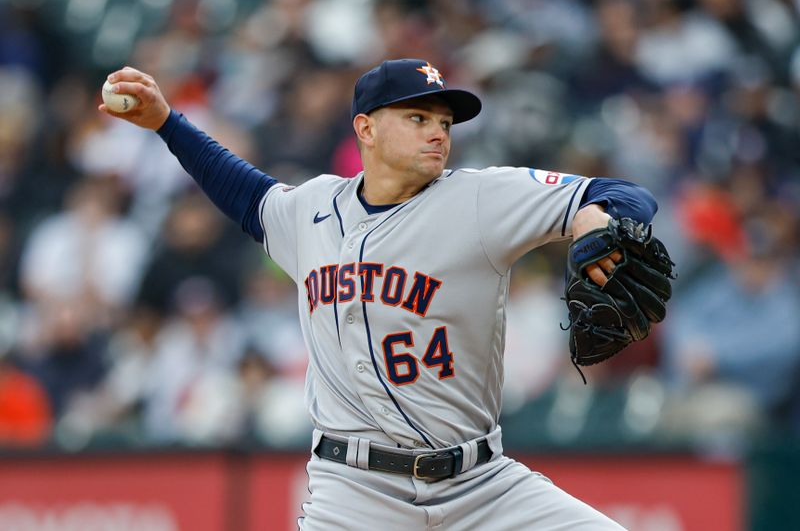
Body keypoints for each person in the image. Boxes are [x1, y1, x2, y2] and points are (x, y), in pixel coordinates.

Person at [100, 59, 658, 530]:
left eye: (444, 121)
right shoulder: (310, 210)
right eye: (417, 118)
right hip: (354, 493)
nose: (438, 132)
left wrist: (594, 217)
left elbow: (624, 194)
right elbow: (240, 189)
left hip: (483, 487)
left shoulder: (482, 200)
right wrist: (166, 124)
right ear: (365, 129)